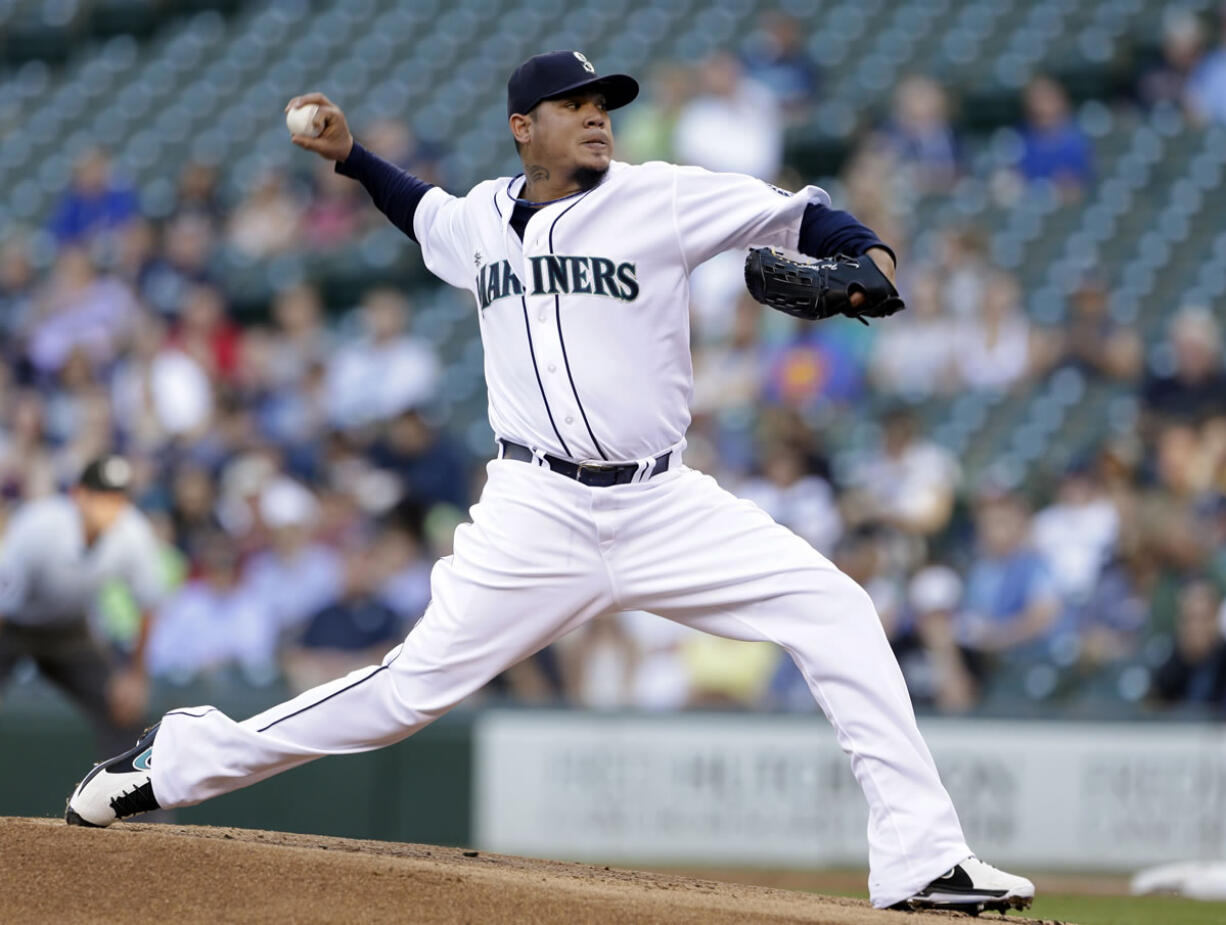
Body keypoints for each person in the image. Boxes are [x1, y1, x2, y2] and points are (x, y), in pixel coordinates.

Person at [66, 51, 1033, 914]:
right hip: (535, 511)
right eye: (576, 103)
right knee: (404, 695)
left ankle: (922, 863)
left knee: (838, 610)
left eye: (605, 101)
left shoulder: (657, 195)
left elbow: (804, 211)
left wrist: (865, 263)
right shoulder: (484, 214)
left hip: (663, 502)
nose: (600, 113)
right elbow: (422, 212)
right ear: (525, 127)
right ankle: (182, 756)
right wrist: (353, 157)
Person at [0, 456, 163, 757]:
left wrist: (135, 676)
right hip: (12, 627)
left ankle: (138, 803)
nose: (111, 507)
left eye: (118, 498)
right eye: (102, 497)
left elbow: (148, 606)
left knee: (125, 712)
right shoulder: (39, 525)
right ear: (79, 495)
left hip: (70, 631)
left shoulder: (132, 532)